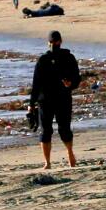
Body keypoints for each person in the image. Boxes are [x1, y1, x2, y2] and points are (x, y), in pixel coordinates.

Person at [31, 30, 81, 168]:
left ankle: (70, 153)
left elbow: (77, 77)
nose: (54, 44)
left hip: (63, 98)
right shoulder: (43, 60)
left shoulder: (68, 58)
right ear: (48, 43)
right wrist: (31, 104)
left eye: (56, 42)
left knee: (64, 129)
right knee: (45, 131)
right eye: (52, 42)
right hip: (45, 100)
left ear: (61, 42)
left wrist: (71, 83)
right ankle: (47, 162)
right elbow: (36, 83)